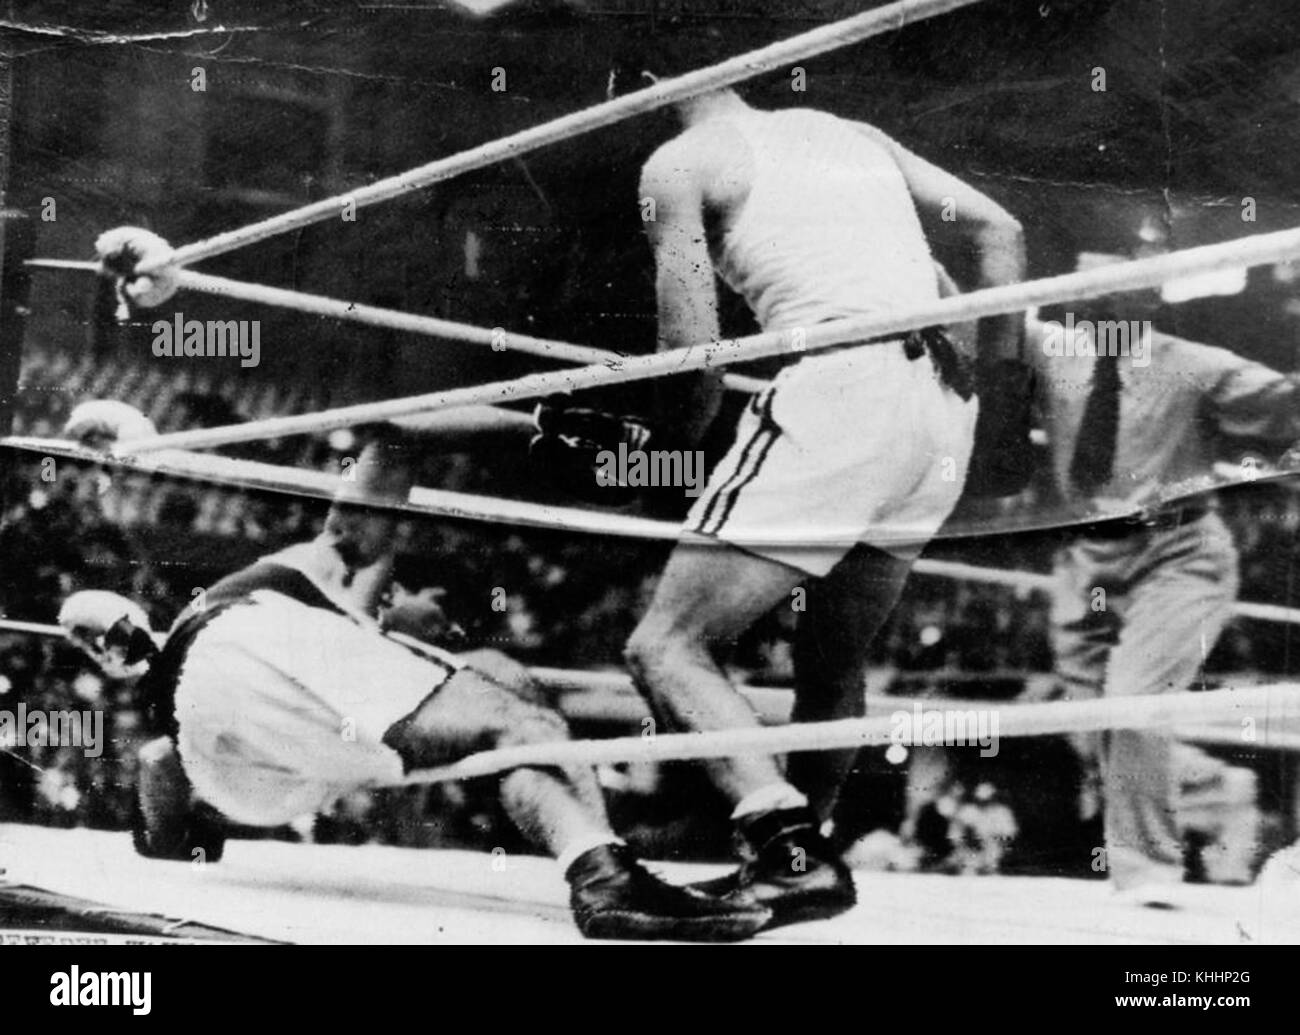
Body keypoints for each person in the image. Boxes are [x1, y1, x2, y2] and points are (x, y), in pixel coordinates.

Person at [59, 413, 771, 939]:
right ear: (396, 597)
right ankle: (606, 878)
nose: (447, 618)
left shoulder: (333, 644)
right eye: (437, 601)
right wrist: (537, 422)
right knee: (517, 721)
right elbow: (394, 435)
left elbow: (167, 755)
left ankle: (604, 859)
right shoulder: (316, 576)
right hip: (243, 659)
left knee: (503, 684)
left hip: (254, 769)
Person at [614, 69, 1026, 928]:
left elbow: (692, 358)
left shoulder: (679, 163)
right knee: (832, 660)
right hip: (946, 408)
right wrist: (1002, 391)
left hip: (844, 391)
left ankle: (790, 851)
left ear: (648, 84)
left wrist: (659, 444)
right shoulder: (847, 131)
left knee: (666, 646)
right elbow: (1001, 228)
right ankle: (803, 856)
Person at [1023, 285, 1300, 905]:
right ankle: (1219, 787)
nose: (1107, 312)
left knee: (1133, 705)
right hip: (1086, 556)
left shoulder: (1193, 363)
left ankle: (1147, 871)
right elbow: (983, 314)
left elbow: (1285, 402)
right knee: (1088, 726)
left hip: (1178, 554)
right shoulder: (1051, 346)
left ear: (1149, 309)